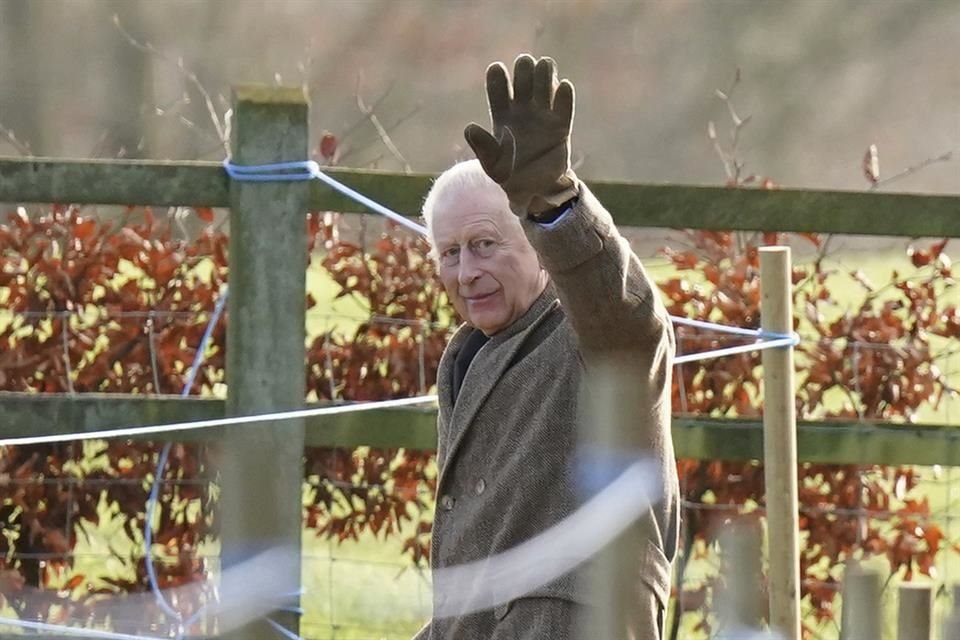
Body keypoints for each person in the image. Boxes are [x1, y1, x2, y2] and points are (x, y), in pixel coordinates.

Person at [414, 54, 679, 640]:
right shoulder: (467, 360)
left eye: (485, 244)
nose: (465, 271)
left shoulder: (589, 336)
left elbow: (628, 319)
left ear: (538, 249)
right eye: (449, 253)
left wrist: (552, 206)